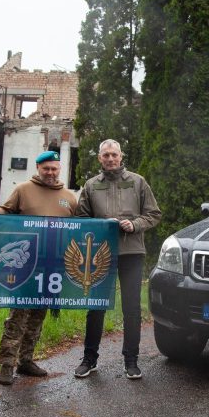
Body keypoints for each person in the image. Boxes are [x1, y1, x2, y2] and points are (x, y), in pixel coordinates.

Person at [74, 139, 162, 380]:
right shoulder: (91, 186)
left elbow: (154, 214)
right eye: (106, 155)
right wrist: (100, 226)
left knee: (131, 308)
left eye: (114, 154)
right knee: (96, 308)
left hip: (131, 253)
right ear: (99, 159)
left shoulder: (137, 181)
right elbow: (81, 218)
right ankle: (89, 359)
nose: (110, 159)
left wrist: (134, 225)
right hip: (100, 255)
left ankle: (131, 361)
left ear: (121, 156)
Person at [0, 150, 77, 385]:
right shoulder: (23, 190)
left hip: (51, 267)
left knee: (38, 316)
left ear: (59, 169)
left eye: (54, 169)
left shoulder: (69, 197)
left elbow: (79, 227)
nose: (50, 173)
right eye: (45, 169)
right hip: (24, 268)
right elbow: (6, 212)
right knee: (17, 316)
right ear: (38, 168)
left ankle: (26, 360)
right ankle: (7, 365)